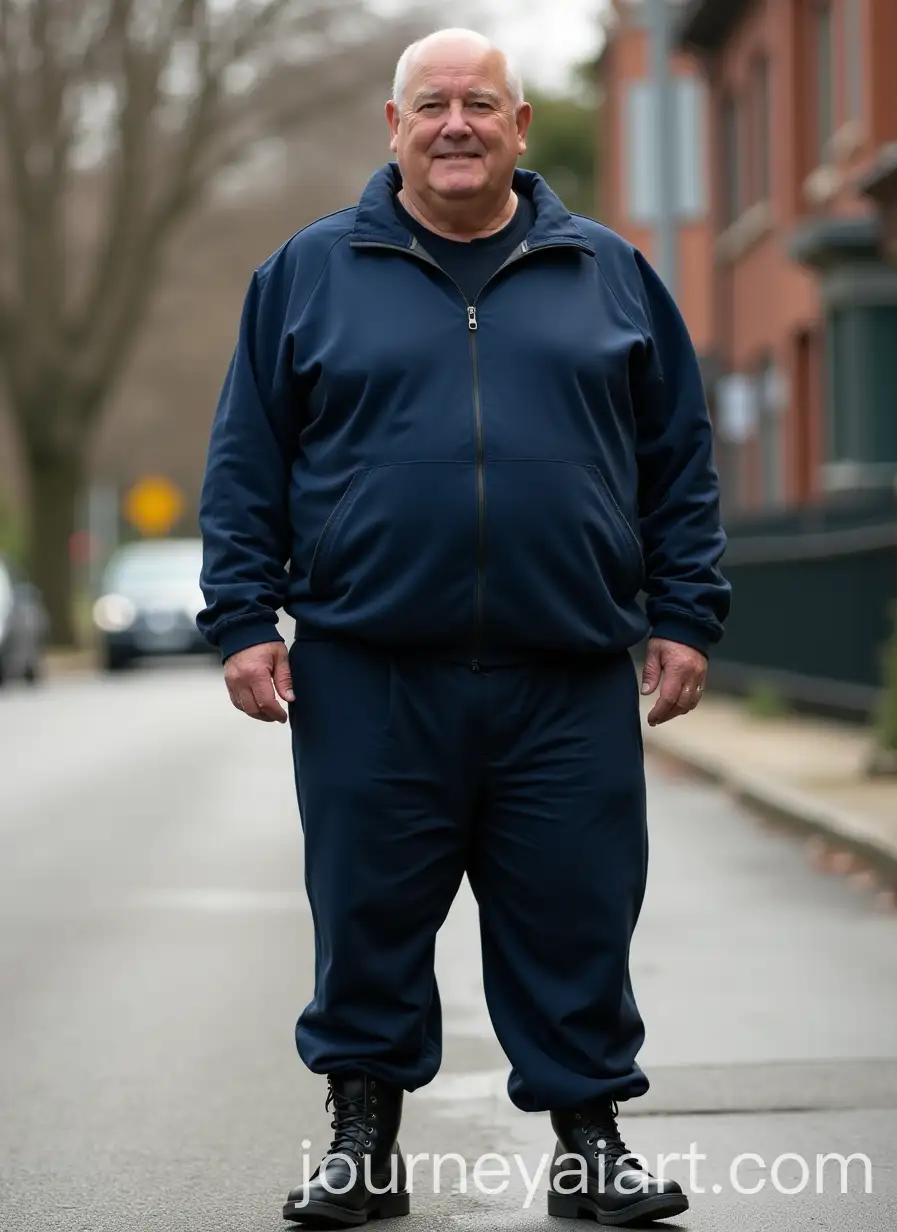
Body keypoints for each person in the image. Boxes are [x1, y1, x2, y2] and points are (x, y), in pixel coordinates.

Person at [197, 26, 730, 1228]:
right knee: (368, 916)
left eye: (479, 103)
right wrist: (241, 617)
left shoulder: (608, 273)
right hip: (370, 669)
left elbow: (678, 466)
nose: (455, 124)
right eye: (430, 103)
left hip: (567, 671)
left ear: (518, 126)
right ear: (392, 127)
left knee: (576, 912)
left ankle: (590, 1147)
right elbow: (245, 464)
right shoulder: (306, 273)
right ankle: (361, 1147)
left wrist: (685, 613)